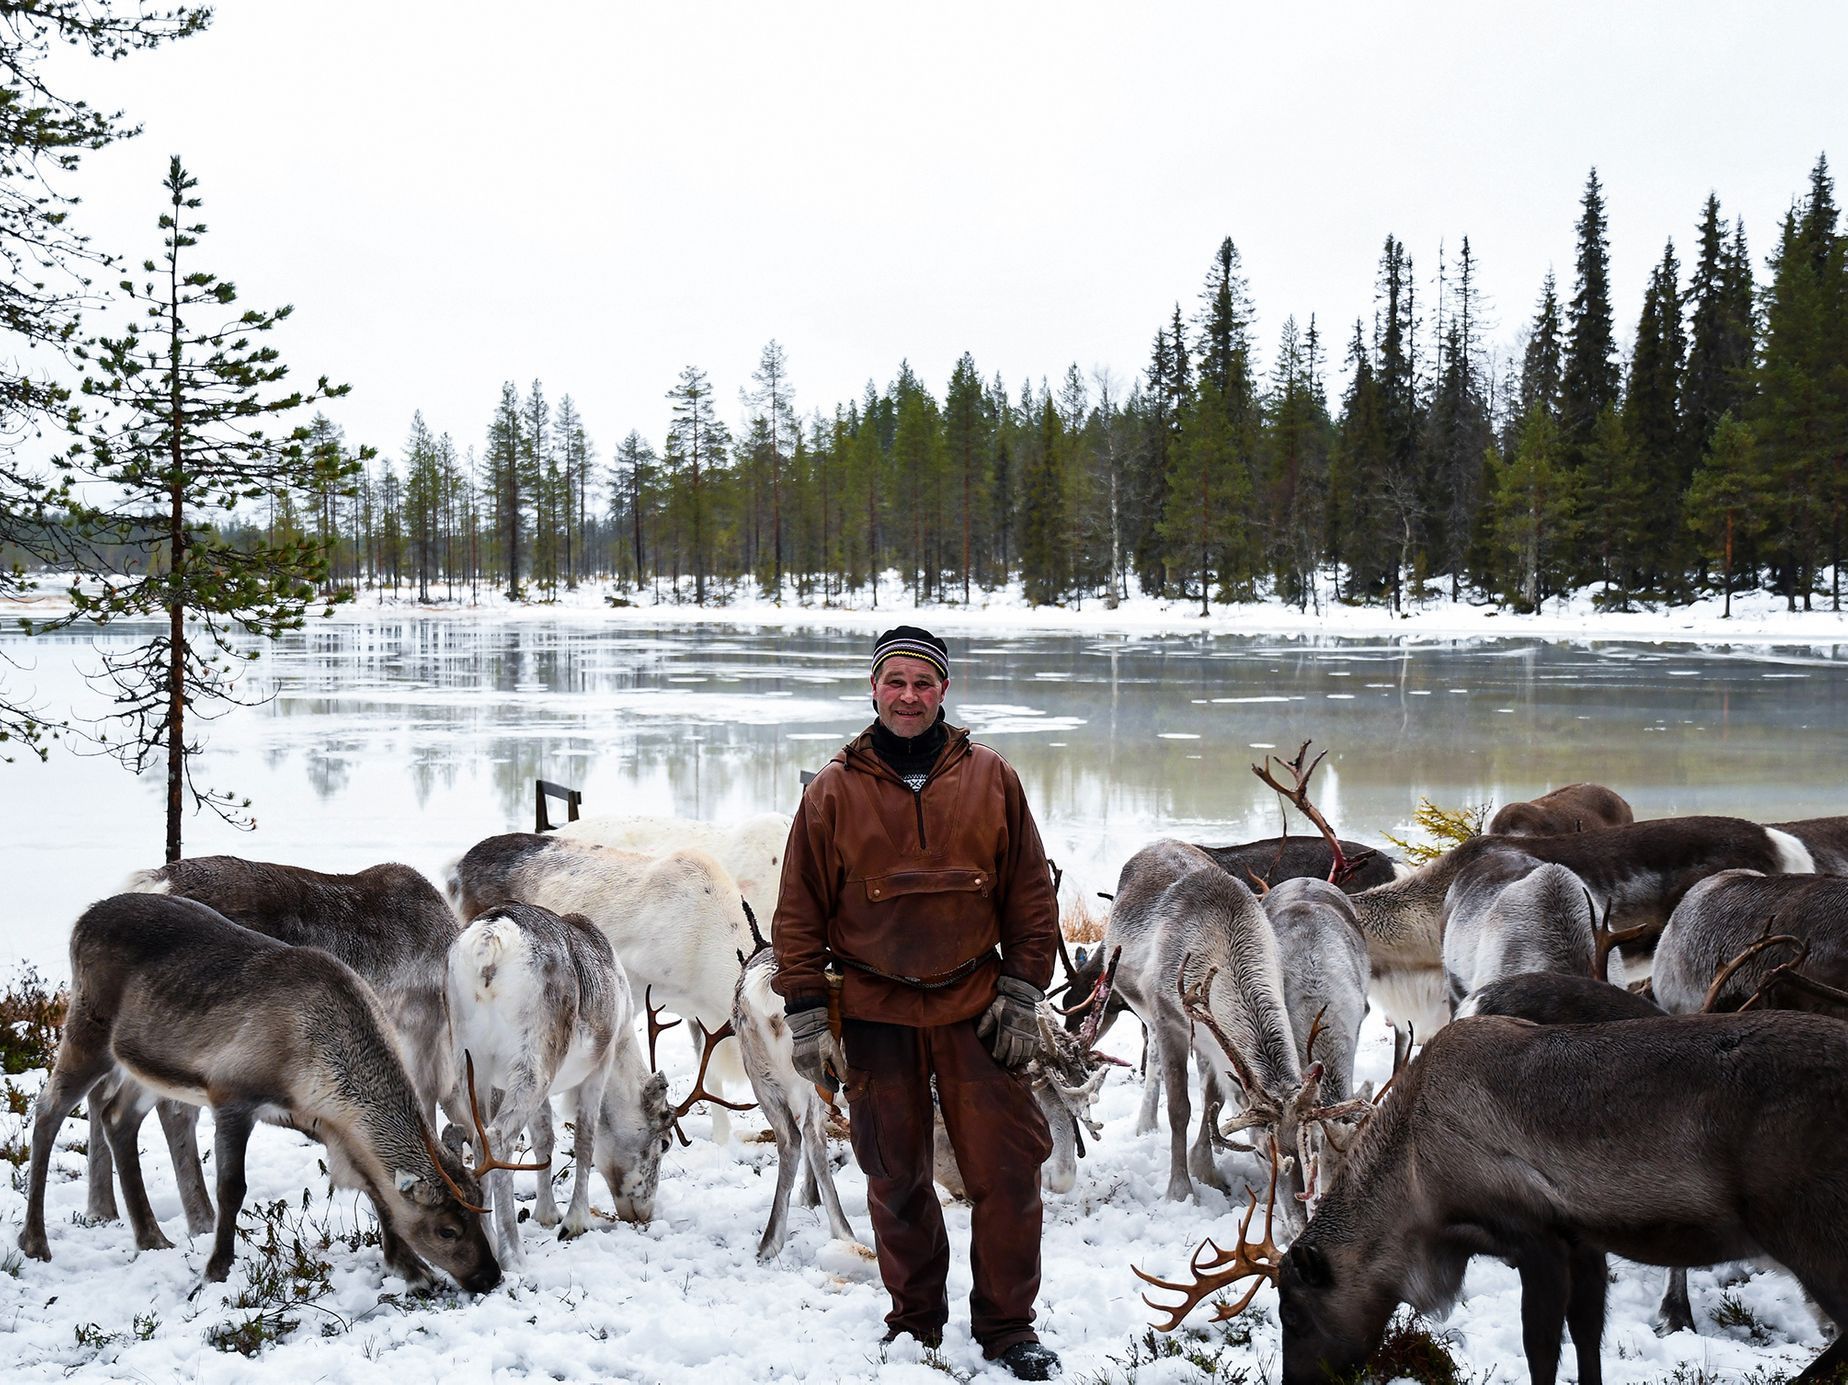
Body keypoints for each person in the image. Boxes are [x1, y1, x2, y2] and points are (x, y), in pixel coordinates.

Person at [772, 624, 1063, 1381]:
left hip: (976, 1004)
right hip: (874, 1011)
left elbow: (1030, 894)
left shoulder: (993, 777)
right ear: (874, 688)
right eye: (894, 681)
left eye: (923, 682)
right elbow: (799, 912)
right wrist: (807, 1016)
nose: (908, 695)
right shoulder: (832, 789)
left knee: (1007, 1170)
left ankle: (1007, 1327)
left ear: (944, 688)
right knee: (893, 1172)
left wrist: (1024, 990)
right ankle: (915, 1320)